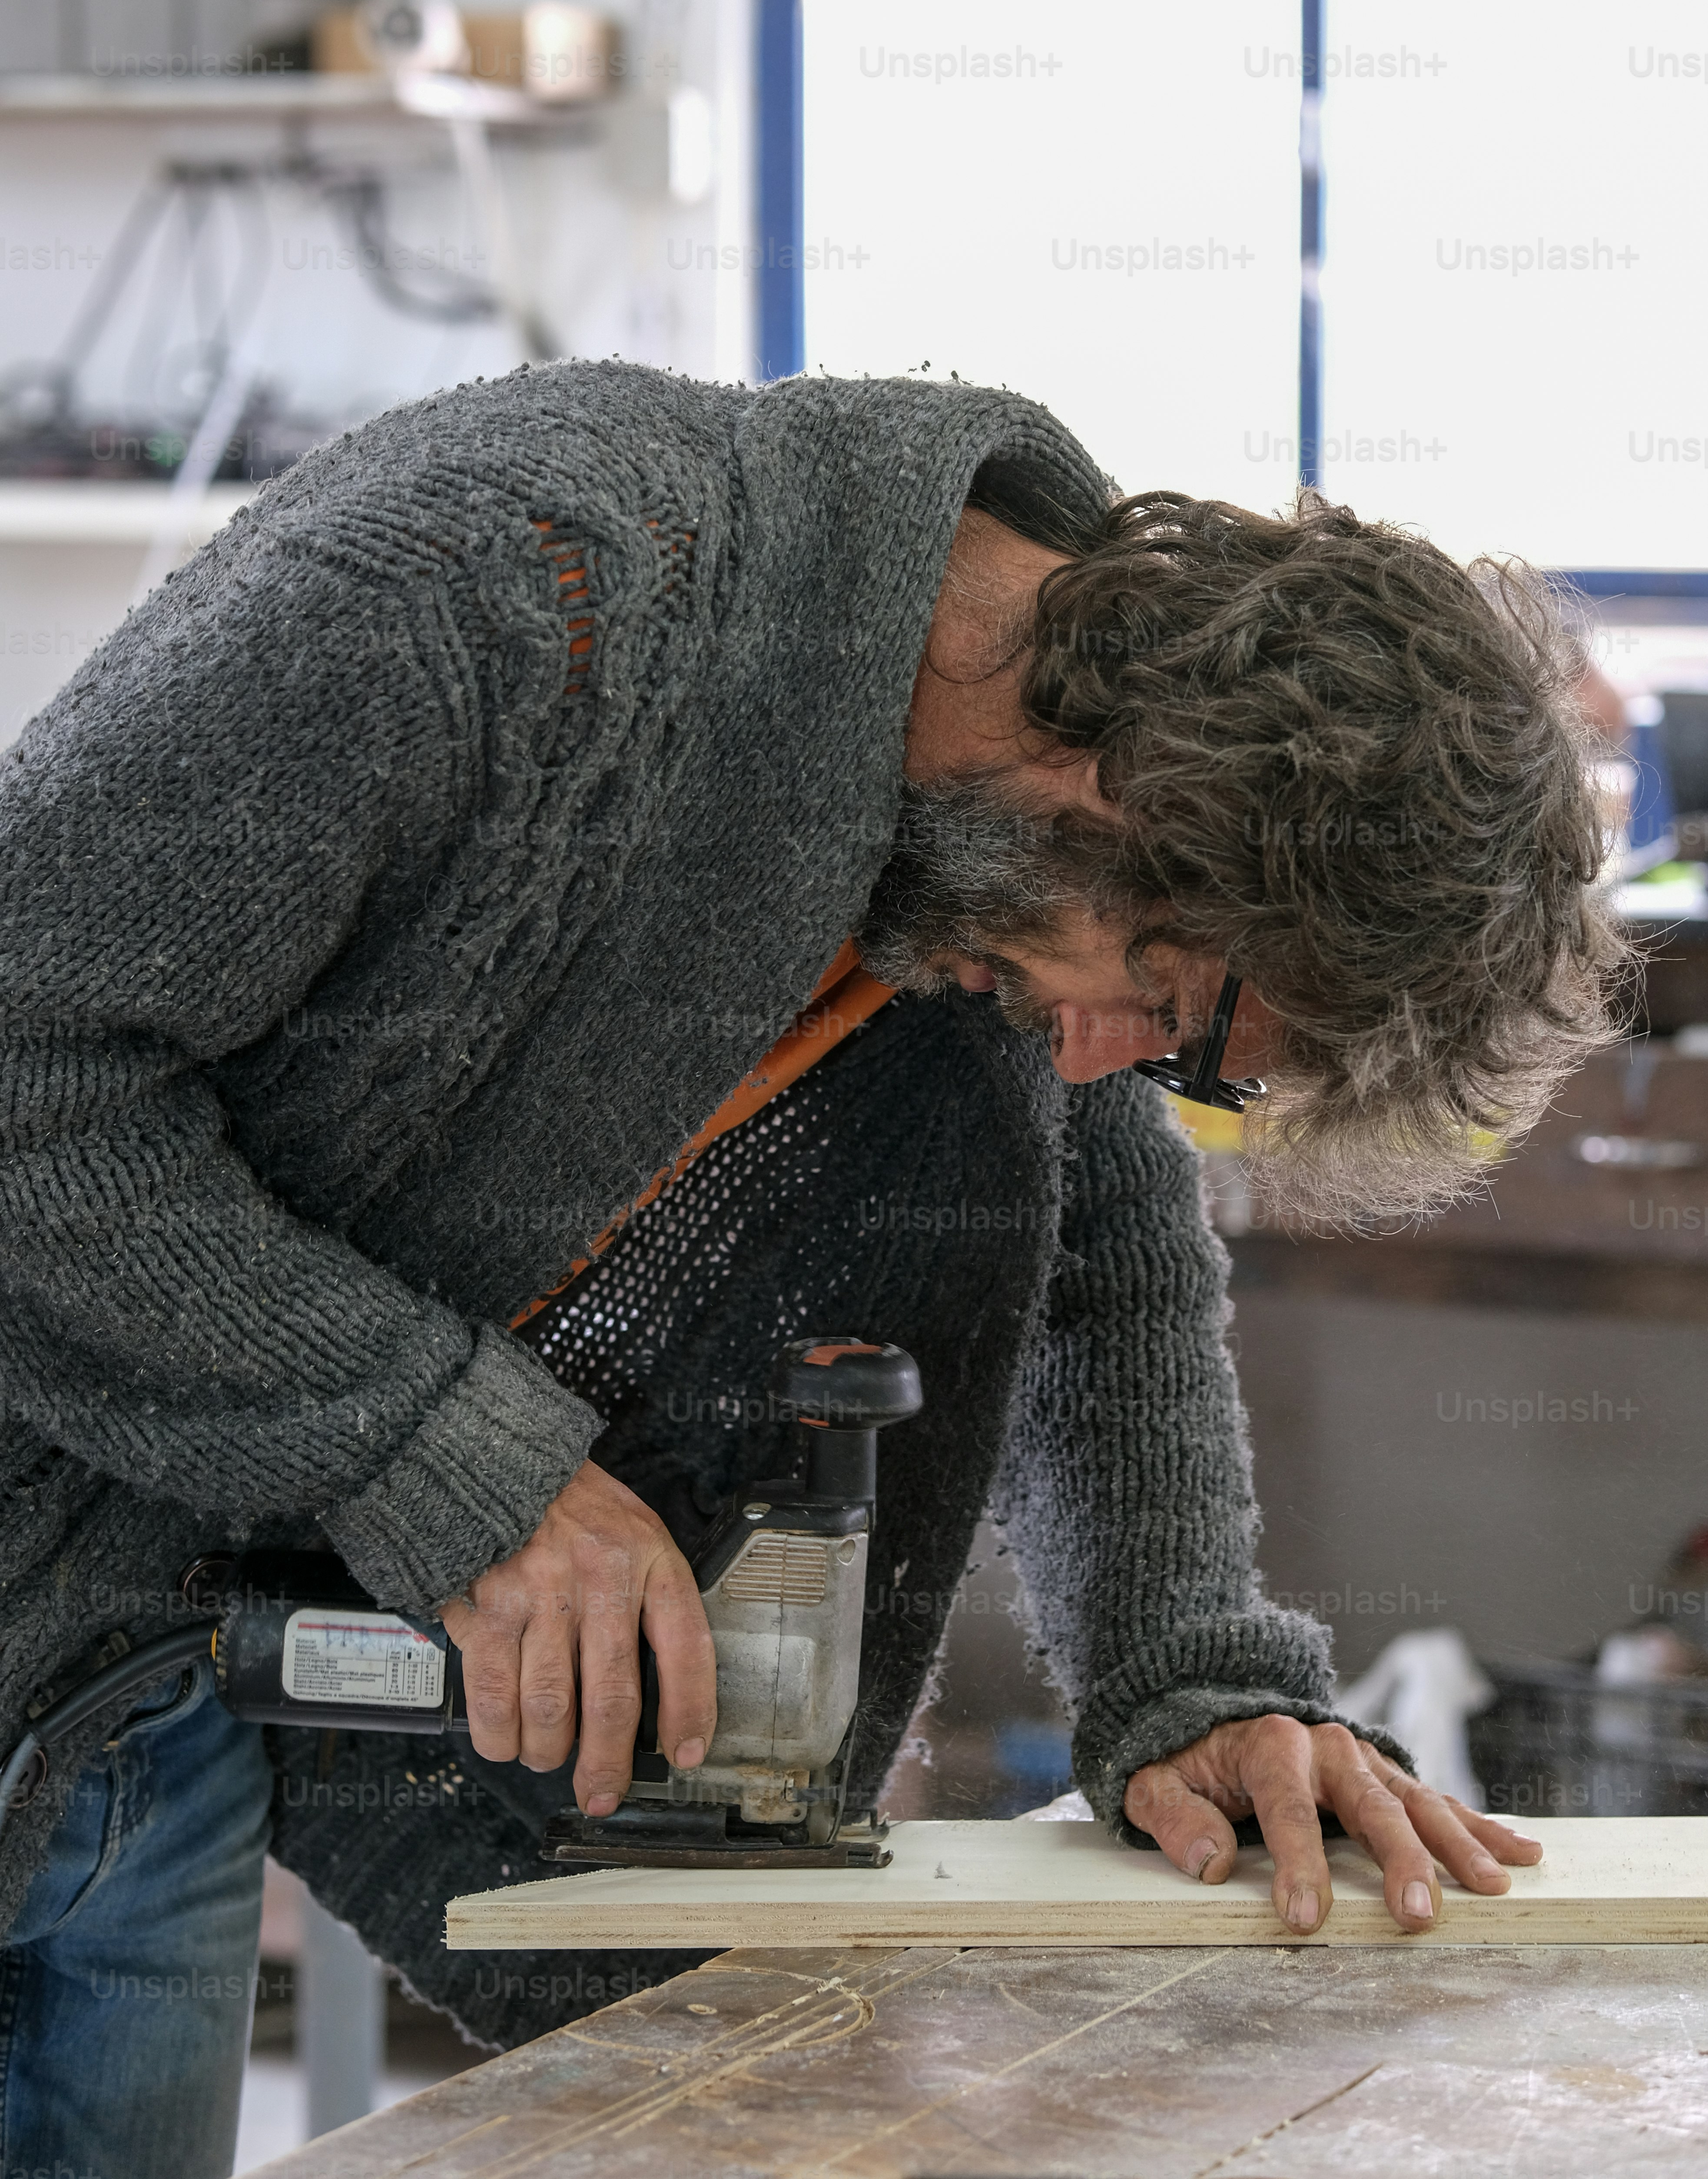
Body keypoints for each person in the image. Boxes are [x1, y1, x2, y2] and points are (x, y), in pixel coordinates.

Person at [0, 364, 1620, 2177]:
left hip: (154, 1690)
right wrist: (451, 1460)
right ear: (1139, 786)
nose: (1095, 1064)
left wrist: (1186, 1668)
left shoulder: (991, 820)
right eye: (1161, 1009)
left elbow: (1097, 1257)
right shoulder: (505, 586)